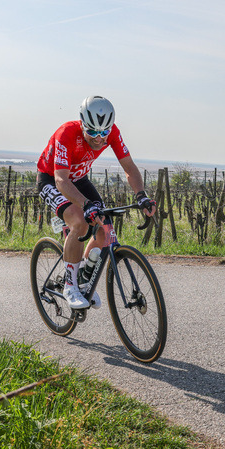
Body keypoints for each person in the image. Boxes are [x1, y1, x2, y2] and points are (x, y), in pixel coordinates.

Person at [36, 96, 156, 310]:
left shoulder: (112, 133)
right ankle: (70, 286)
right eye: (92, 132)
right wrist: (85, 204)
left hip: (79, 179)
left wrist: (141, 195)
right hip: (52, 179)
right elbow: (61, 180)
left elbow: (129, 167)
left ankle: (83, 276)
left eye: (104, 133)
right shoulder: (66, 133)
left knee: (104, 225)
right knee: (80, 222)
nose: (99, 138)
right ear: (82, 123)